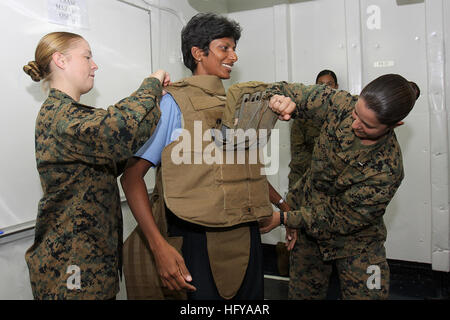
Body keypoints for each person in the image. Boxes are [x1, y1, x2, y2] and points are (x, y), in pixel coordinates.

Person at [121, 13, 289, 300]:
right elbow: (131, 177)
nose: (234, 56)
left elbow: (243, 167)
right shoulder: (173, 104)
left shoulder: (235, 104)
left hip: (245, 233)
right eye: (225, 47)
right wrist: (159, 246)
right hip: (196, 236)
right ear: (198, 53)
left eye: (234, 48)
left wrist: (282, 204)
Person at [23, 31, 169, 300]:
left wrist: (158, 101)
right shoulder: (61, 116)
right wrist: (152, 82)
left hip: (89, 262)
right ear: (61, 60)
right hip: (72, 266)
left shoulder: (71, 115)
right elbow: (121, 128)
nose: (94, 65)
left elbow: (127, 141)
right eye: (87, 56)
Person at [260, 73, 420, 299]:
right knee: (302, 295)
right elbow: (284, 90)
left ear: (395, 125)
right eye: (356, 114)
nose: (355, 125)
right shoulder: (342, 104)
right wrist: (278, 99)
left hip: (357, 243)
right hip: (309, 231)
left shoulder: (387, 169)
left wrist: (284, 218)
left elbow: (337, 218)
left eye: (367, 125)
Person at [281, 70, 339, 277]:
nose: (325, 89)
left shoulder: (345, 116)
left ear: (337, 88)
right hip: (306, 186)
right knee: (305, 244)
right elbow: (299, 157)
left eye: (330, 84)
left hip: (335, 191)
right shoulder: (304, 116)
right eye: (320, 85)